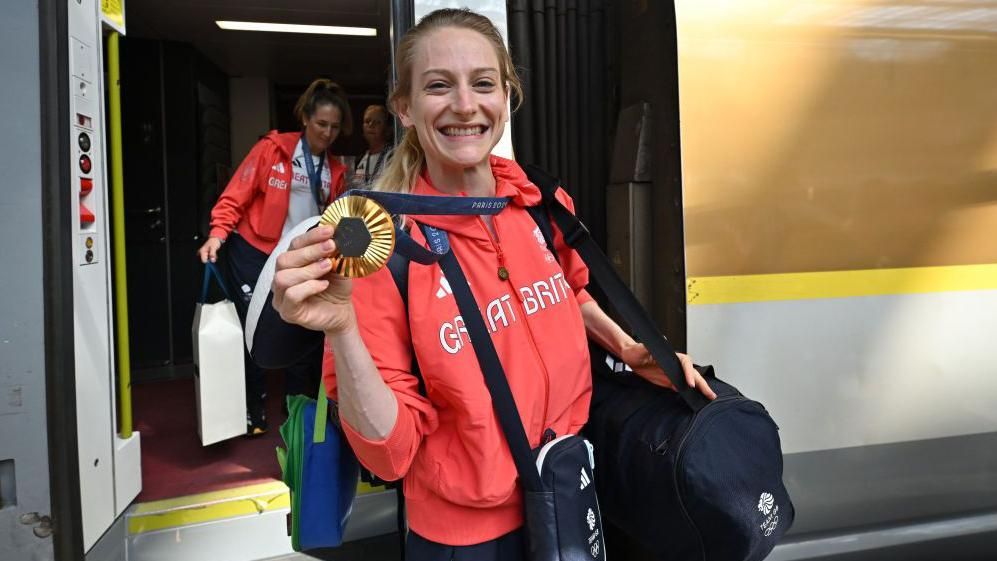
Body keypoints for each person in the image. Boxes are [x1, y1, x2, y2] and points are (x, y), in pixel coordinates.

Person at [270, 9, 715, 560]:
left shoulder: (537, 202)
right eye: (438, 86)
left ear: (507, 97)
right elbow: (390, 454)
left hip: (569, 487)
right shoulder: (388, 250)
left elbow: (568, 290)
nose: (464, 104)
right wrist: (342, 329)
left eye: (483, 83)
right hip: (469, 538)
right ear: (404, 108)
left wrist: (624, 344)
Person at [198, 78, 352, 435]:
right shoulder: (274, 149)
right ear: (305, 119)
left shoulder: (335, 170)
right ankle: (252, 410)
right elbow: (237, 193)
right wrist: (218, 233)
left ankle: (297, 408)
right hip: (255, 253)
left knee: (302, 328)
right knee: (254, 334)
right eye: (320, 124)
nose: (327, 133)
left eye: (333, 127)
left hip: (301, 258)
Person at [354, 104, 393, 187]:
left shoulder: (393, 156)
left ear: (387, 129)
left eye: (377, 122)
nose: (371, 125)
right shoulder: (359, 159)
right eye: (367, 121)